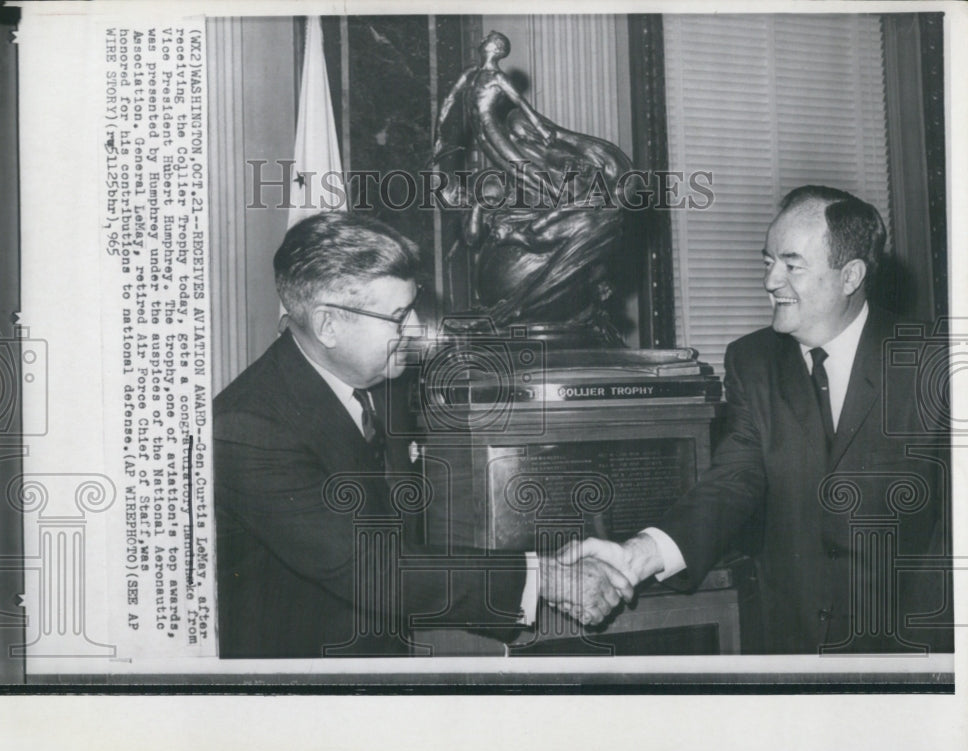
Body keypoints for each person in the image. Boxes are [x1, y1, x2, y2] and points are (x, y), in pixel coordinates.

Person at [213, 212, 630, 657]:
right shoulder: (248, 427)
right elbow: (371, 568)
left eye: (413, 308)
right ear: (328, 325)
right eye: (396, 316)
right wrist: (542, 577)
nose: (414, 330)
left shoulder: (383, 388)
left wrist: (542, 560)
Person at [565, 186, 952, 654]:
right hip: (792, 649)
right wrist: (637, 555)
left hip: (918, 652)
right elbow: (733, 482)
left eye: (792, 265)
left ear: (850, 276)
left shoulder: (936, 362)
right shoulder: (752, 361)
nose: (771, 280)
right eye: (767, 261)